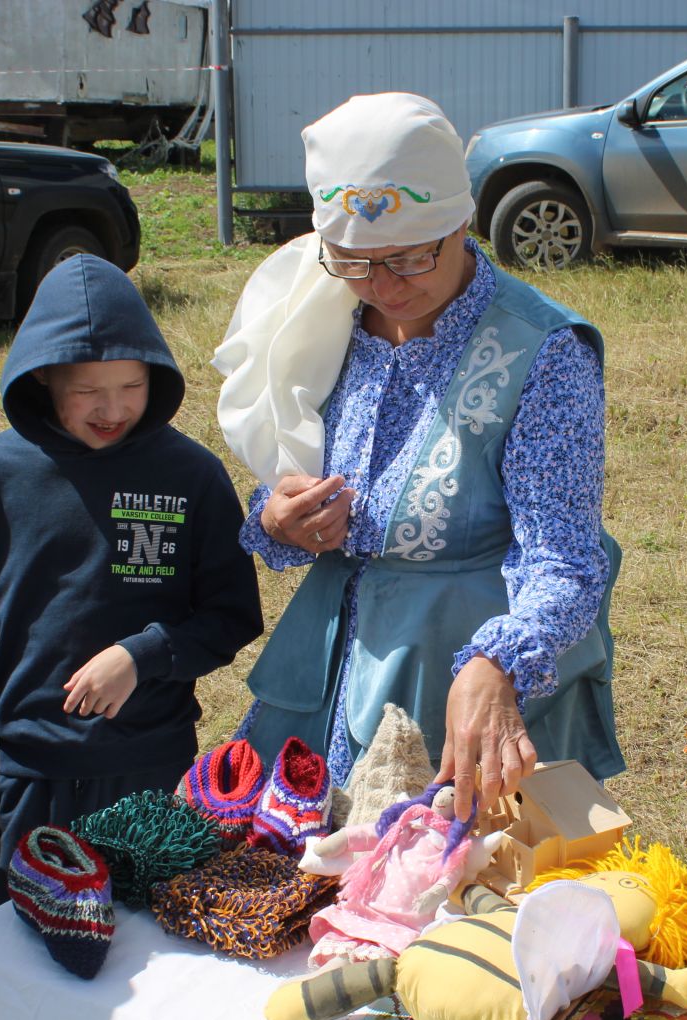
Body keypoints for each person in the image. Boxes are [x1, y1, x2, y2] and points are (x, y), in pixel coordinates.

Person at [215, 92, 622, 823]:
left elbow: (563, 559)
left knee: (450, 894)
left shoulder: (542, 354)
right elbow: (279, 468)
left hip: (463, 672)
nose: (384, 287)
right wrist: (279, 518)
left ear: (461, 224)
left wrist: (502, 660)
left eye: (409, 258)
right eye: (354, 262)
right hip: (333, 663)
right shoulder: (319, 319)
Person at [0, 253, 263, 904]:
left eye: (131, 387)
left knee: (147, 958)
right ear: (45, 378)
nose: (112, 408)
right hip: (33, 779)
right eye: (87, 390)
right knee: (31, 960)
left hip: (150, 769)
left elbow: (232, 614)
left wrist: (144, 656)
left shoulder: (189, 477)